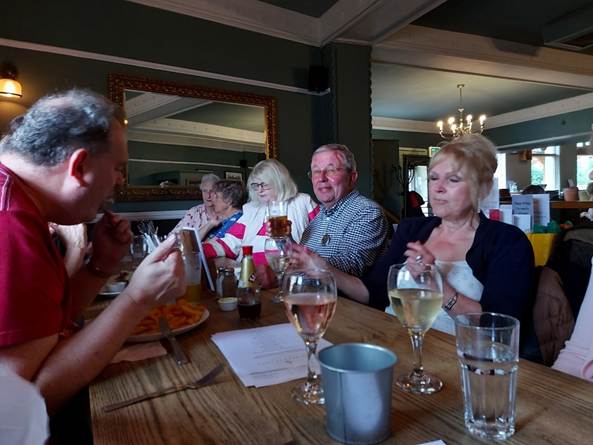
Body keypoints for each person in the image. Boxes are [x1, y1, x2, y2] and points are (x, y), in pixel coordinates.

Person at [0, 89, 185, 419]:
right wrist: (137, 299)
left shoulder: (19, 202)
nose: (119, 181)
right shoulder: (10, 224)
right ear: (79, 165)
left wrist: (100, 266)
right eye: (117, 168)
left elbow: (44, 324)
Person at [361, 134, 535, 334]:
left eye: (453, 179)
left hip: (456, 351)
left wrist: (436, 284)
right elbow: (374, 292)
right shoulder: (411, 229)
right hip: (392, 339)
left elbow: (498, 328)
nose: (438, 188)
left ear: (481, 189)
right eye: (433, 178)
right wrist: (330, 272)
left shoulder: (507, 241)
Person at [289, 144, 389, 286]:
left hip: (340, 300)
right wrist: (285, 241)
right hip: (309, 295)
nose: (321, 178)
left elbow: (351, 266)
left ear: (352, 177)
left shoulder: (367, 212)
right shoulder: (319, 217)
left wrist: (298, 266)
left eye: (331, 170)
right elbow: (303, 260)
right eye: (316, 171)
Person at [204, 159, 318, 265]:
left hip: (291, 273)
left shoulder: (303, 202)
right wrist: (199, 250)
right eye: (256, 185)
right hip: (251, 274)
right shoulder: (251, 210)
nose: (259, 190)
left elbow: (322, 244)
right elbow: (228, 244)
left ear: (279, 182)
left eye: (264, 184)